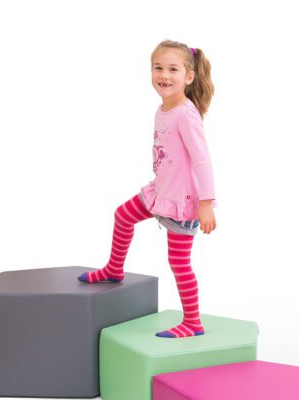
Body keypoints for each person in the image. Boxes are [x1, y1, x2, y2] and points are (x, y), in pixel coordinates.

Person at [78, 39, 216, 339]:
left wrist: (206, 203)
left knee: (179, 263)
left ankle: (193, 322)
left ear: (189, 76)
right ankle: (114, 270)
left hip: (182, 202)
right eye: (158, 68)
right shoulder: (164, 108)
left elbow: (202, 160)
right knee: (123, 215)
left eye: (173, 69)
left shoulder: (185, 114)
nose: (164, 75)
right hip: (160, 192)